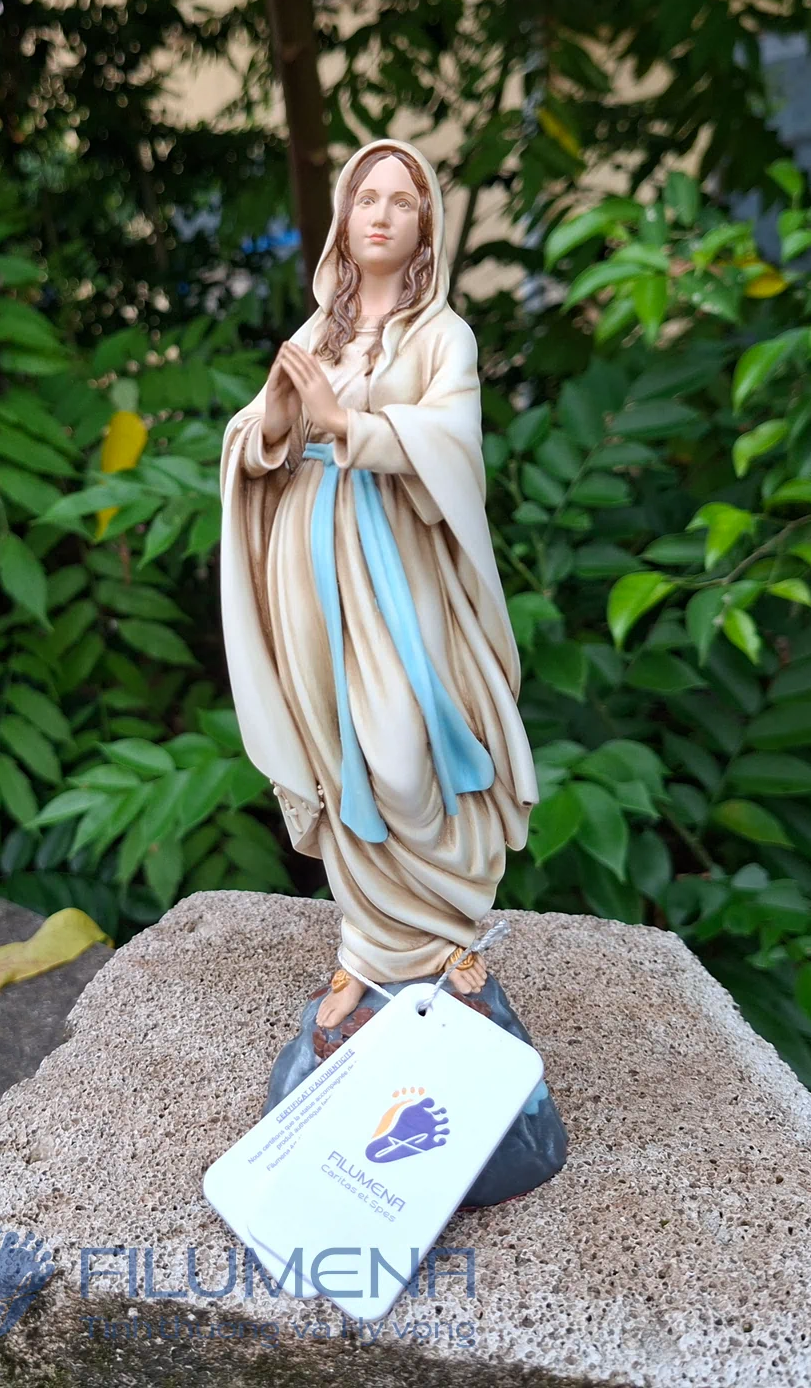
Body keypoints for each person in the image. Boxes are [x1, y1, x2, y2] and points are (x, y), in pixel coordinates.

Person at [219, 138, 538, 1031]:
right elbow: (253, 438)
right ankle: (366, 947)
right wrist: (277, 421)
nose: (381, 215)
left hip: (395, 560)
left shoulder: (443, 337)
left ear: (426, 225)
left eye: (402, 201)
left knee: (405, 753)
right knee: (338, 755)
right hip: (308, 561)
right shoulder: (316, 332)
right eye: (367, 198)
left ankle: (447, 929)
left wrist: (349, 424)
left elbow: (454, 447)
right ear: (343, 216)